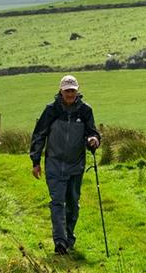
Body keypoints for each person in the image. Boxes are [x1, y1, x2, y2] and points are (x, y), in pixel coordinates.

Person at [29, 74, 101, 255]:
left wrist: (93, 140)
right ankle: (60, 242)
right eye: (67, 90)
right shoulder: (51, 110)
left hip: (76, 165)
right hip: (54, 164)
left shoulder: (85, 111)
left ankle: (69, 238)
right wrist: (36, 162)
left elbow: (92, 133)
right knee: (57, 202)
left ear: (77, 91)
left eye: (73, 90)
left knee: (73, 204)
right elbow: (39, 135)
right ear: (61, 91)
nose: (70, 93)